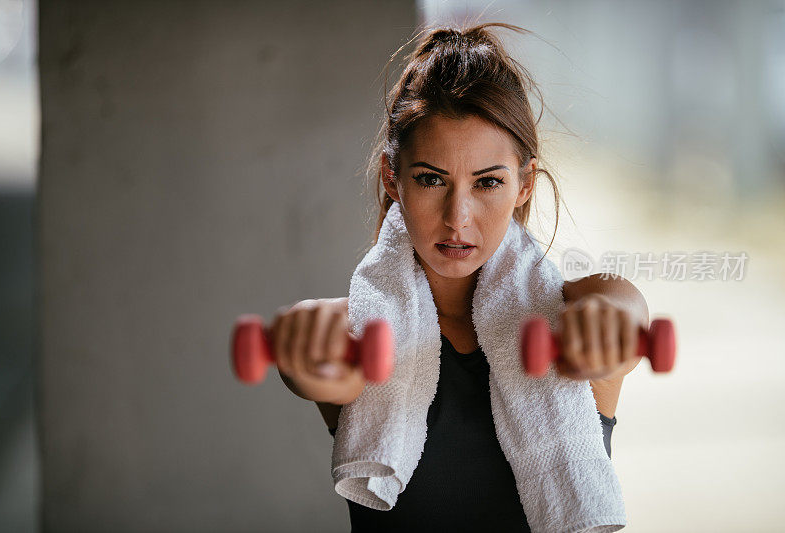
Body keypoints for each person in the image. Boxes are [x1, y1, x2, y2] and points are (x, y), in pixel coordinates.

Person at [270, 22, 648, 531]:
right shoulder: (359, 333)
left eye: (487, 182)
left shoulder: (580, 311)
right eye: (430, 179)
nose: (458, 217)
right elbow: (319, 362)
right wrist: (301, 343)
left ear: (523, 184)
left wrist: (609, 329)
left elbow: (620, 313)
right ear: (392, 178)